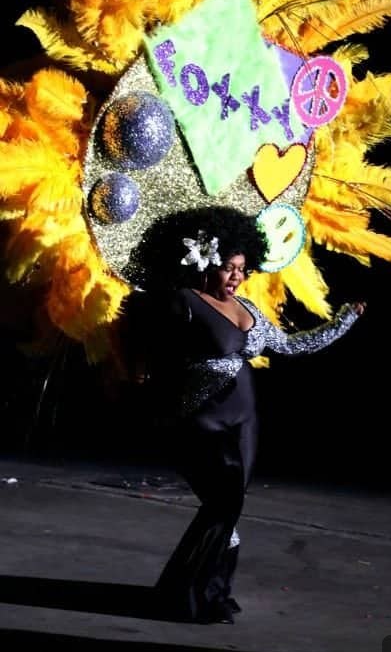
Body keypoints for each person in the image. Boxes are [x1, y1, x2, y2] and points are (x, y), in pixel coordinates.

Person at [124, 206, 366, 625]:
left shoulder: (251, 307)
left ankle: (210, 590)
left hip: (245, 423)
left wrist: (344, 320)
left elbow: (292, 345)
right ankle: (197, 594)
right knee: (224, 501)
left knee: (228, 509)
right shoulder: (183, 301)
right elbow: (149, 346)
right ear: (206, 263)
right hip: (201, 420)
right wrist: (149, 380)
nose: (237, 276)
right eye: (229, 268)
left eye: (243, 268)